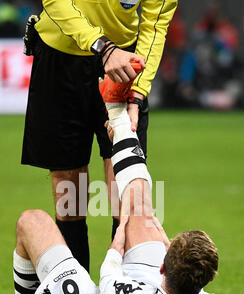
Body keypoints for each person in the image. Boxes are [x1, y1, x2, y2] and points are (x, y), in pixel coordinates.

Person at [0, 74, 232, 294]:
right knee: (142, 208)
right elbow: (187, 285)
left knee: (31, 222)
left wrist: (119, 242)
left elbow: (108, 277)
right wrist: (153, 228)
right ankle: (117, 113)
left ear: (163, 267)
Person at [21, 0, 178, 274]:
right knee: (68, 187)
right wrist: (102, 47)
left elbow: (155, 24)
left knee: (124, 186)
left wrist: (138, 93)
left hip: (122, 65)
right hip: (62, 54)